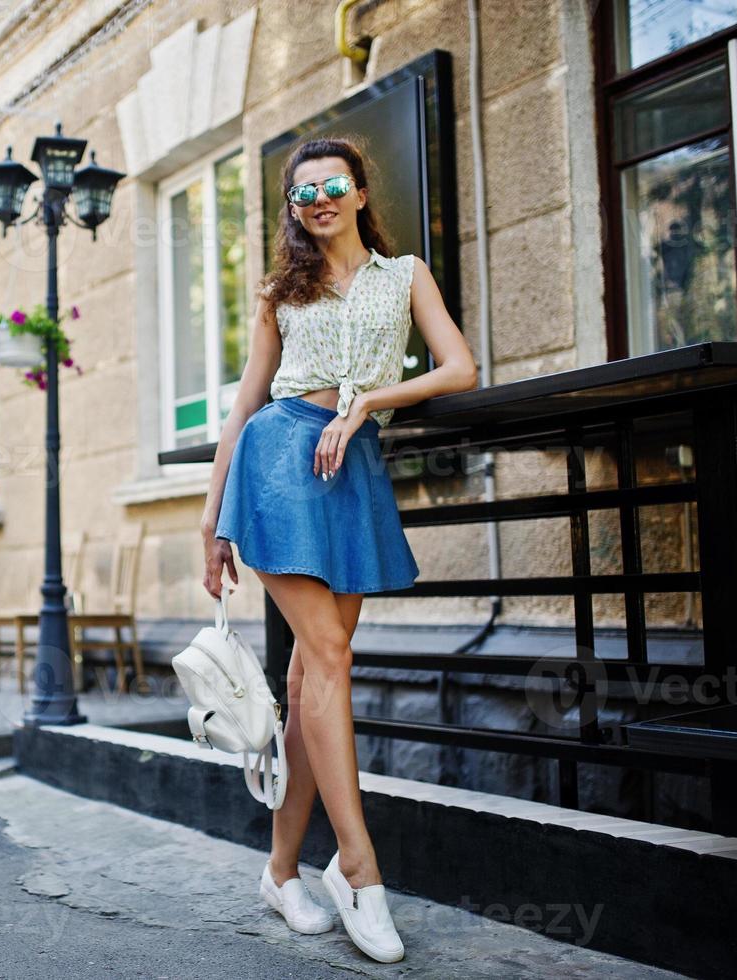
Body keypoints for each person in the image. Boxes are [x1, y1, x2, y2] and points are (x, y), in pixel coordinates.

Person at [200, 136, 477, 964]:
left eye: (331, 185)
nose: (316, 199)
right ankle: (357, 869)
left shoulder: (405, 275)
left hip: (348, 467)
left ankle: (282, 871)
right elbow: (246, 403)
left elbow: (458, 368)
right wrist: (212, 521)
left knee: (310, 675)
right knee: (326, 655)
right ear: (293, 209)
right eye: (301, 193)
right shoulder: (279, 292)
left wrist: (369, 402)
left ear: (359, 193)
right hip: (281, 457)